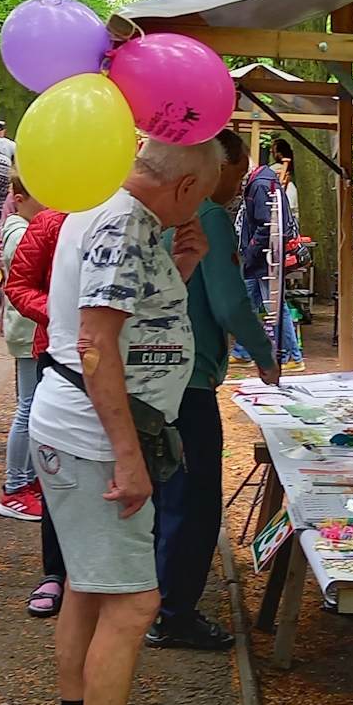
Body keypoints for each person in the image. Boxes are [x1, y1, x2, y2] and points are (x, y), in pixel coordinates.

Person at [31, 137, 220, 705]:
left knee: (90, 589)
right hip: (93, 438)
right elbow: (95, 345)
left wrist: (181, 268)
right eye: (205, 193)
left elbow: (125, 322)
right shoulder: (122, 221)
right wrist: (129, 456)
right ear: (186, 185)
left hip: (83, 431)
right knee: (136, 603)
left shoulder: (113, 209)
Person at [149, 129, 279, 651]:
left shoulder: (163, 211)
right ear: (215, 166)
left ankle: (156, 598)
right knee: (195, 498)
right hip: (189, 379)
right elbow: (228, 303)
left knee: (166, 494)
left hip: (156, 376)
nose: (241, 181)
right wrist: (264, 354)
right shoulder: (208, 217)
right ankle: (174, 613)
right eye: (239, 169)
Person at [5, 200, 70, 618]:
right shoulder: (50, 222)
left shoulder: (132, 216)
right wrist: (58, 314)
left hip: (122, 358)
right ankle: (55, 571)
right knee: (57, 465)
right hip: (58, 354)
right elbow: (19, 285)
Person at [0, 171, 45, 523]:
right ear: (20, 199)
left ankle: (28, 478)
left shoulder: (25, 227)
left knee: (33, 406)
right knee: (28, 408)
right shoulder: (19, 232)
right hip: (27, 331)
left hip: (30, 329)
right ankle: (14, 487)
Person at [236, 139, 302, 368]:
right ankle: (243, 351)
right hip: (261, 255)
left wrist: (251, 252)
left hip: (264, 257)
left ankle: (292, 355)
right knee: (249, 303)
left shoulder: (260, 185)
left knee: (275, 305)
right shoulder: (263, 182)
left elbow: (267, 225)